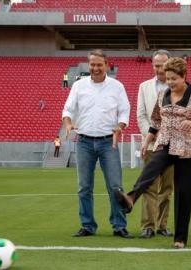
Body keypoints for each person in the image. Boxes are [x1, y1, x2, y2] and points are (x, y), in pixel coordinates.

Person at [114, 57, 191, 249]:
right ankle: (131, 198)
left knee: (183, 192)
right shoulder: (163, 94)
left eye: (174, 78)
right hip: (166, 143)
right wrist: (147, 140)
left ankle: (180, 238)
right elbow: (156, 121)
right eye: (168, 78)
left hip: (189, 147)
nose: (170, 82)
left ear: (184, 76)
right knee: (151, 168)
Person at [62, 49, 133, 239]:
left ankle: (119, 226)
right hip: (84, 141)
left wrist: (120, 126)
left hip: (108, 142)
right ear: (88, 65)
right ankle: (87, 225)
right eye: (92, 64)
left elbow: (125, 111)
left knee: (115, 187)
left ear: (107, 65)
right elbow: (68, 108)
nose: (95, 68)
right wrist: (68, 123)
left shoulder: (117, 87)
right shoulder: (79, 86)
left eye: (99, 64)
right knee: (84, 187)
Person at [136, 50, 174, 239]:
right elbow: (141, 115)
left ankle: (162, 225)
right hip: (151, 146)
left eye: (163, 65)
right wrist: (150, 135)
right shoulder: (144, 87)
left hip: (171, 146)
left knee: (166, 188)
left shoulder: (177, 85)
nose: (159, 68)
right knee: (149, 186)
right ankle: (148, 226)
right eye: (156, 65)